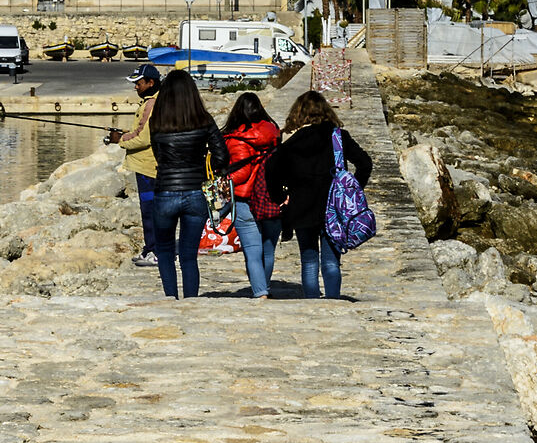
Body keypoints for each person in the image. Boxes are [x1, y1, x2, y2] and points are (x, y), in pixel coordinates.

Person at [264, 89, 372, 300]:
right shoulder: (338, 137)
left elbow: (271, 171)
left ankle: (312, 302)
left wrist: (279, 197)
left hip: (302, 207)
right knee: (332, 260)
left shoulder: (291, 143)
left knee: (309, 258)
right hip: (334, 207)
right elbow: (365, 163)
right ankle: (333, 300)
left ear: (298, 113)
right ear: (326, 111)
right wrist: (354, 190)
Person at [147, 69, 228, 300]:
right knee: (189, 255)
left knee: (164, 251)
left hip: (165, 191)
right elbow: (222, 155)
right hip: (195, 192)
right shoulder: (204, 119)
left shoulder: (157, 121)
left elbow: (158, 156)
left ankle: (171, 298)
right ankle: (191, 300)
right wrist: (205, 165)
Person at [223, 91, 282, 299]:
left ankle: (260, 292)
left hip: (245, 199)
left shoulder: (237, 138)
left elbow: (243, 172)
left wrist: (224, 182)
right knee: (268, 249)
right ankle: (264, 285)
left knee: (252, 250)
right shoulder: (273, 132)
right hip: (271, 197)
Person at [107, 64, 162, 266]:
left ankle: (155, 251)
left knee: (150, 210)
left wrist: (119, 140)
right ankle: (150, 248)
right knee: (150, 210)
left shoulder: (151, 104)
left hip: (148, 167)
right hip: (147, 165)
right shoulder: (152, 102)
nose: (135, 87)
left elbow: (143, 137)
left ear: (150, 82)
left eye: (138, 83)